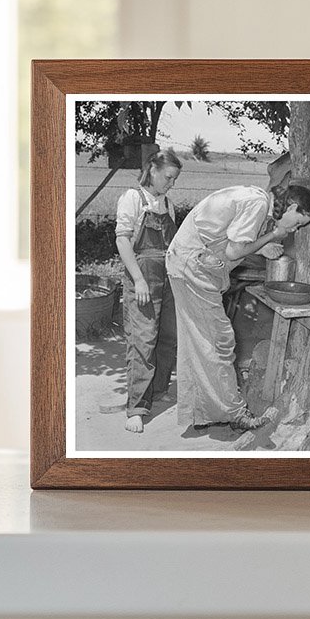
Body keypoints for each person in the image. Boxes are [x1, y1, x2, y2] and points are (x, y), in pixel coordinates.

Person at [166, 181, 310, 432]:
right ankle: (235, 415)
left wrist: (263, 245)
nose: (293, 230)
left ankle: (205, 411)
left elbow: (229, 240)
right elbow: (235, 251)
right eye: (298, 223)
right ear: (291, 206)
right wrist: (272, 236)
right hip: (192, 268)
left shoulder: (255, 198)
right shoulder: (258, 204)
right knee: (219, 340)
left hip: (187, 263)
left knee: (199, 341)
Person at [115, 149, 182, 433]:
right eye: (168, 177)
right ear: (152, 170)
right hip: (142, 278)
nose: (171, 184)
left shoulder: (168, 203)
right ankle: (137, 408)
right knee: (143, 340)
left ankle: (159, 389)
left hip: (166, 278)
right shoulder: (133, 199)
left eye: (174, 179)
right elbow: (123, 241)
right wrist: (139, 280)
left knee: (168, 337)